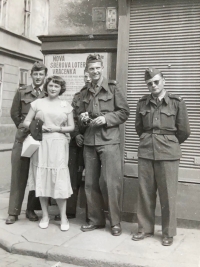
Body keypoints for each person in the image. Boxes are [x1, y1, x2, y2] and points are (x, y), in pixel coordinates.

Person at [132, 67, 190, 246]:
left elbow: (184, 131)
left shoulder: (176, 102)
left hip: (168, 153)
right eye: (149, 83)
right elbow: (139, 128)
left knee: (168, 194)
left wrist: (168, 143)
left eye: (156, 81)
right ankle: (145, 228)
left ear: (163, 81)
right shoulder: (142, 103)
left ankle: (168, 232)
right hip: (147, 151)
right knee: (145, 193)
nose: (153, 85)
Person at [79, 54, 130, 236]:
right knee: (90, 183)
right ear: (87, 71)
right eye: (91, 69)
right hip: (90, 141)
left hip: (109, 141)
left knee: (110, 182)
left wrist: (106, 118)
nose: (94, 72)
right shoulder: (84, 91)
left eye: (97, 68)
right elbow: (79, 114)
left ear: (103, 68)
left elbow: (124, 112)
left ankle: (115, 222)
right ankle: (95, 220)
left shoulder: (113, 88)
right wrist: (82, 118)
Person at [23, 75, 74, 231]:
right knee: (43, 178)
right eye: (51, 85)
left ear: (61, 89)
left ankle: (63, 216)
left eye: (56, 86)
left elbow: (71, 127)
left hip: (58, 144)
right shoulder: (38, 103)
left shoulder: (66, 105)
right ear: (47, 87)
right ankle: (45, 215)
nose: (53, 88)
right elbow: (26, 121)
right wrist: (38, 127)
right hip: (42, 143)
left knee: (59, 178)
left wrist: (58, 129)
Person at [6, 62, 47, 225]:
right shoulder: (22, 92)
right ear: (31, 75)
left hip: (40, 139)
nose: (38, 77)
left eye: (41, 74)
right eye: (35, 74)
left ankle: (31, 209)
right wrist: (24, 128)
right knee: (18, 174)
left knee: (37, 175)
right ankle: (13, 212)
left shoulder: (47, 94)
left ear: (45, 76)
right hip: (23, 138)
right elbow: (14, 113)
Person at [54, 68, 90, 221]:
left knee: (91, 179)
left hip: (93, 141)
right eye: (86, 76)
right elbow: (72, 118)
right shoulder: (78, 97)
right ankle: (69, 211)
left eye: (90, 76)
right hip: (76, 142)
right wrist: (76, 134)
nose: (88, 79)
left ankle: (91, 215)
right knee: (71, 176)